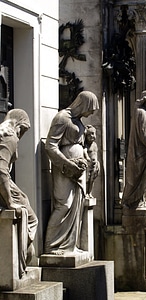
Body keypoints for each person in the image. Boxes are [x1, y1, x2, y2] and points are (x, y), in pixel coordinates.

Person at [44, 91, 99, 255]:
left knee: (76, 207)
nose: (91, 113)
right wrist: (67, 164)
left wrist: (86, 160)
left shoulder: (78, 121)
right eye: (91, 108)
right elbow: (50, 146)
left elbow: (83, 146)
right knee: (64, 205)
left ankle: (69, 246)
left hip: (78, 171)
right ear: (83, 104)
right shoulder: (62, 118)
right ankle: (51, 246)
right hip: (64, 170)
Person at [0, 109, 38, 278]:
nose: (21, 135)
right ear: (17, 124)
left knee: (25, 203)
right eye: (22, 130)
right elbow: (1, 170)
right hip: (2, 184)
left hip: (5, 182)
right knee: (30, 217)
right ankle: (21, 262)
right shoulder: (9, 136)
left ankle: (23, 259)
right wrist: (9, 202)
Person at [122, 90, 146, 209]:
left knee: (143, 178)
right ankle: (132, 201)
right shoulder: (141, 113)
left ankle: (140, 200)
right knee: (136, 177)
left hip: (144, 152)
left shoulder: (145, 113)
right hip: (140, 152)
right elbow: (144, 135)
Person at [84, 125, 100, 198]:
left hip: (94, 165)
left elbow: (95, 154)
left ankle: (89, 193)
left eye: (93, 133)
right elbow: (84, 152)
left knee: (92, 180)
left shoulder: (95, 145)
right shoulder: (85, 145)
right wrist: (87, 158)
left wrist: (96, 162)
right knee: (86, 179)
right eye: (89, 134)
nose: (92, 136)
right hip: (88, 165)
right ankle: (85, 193)